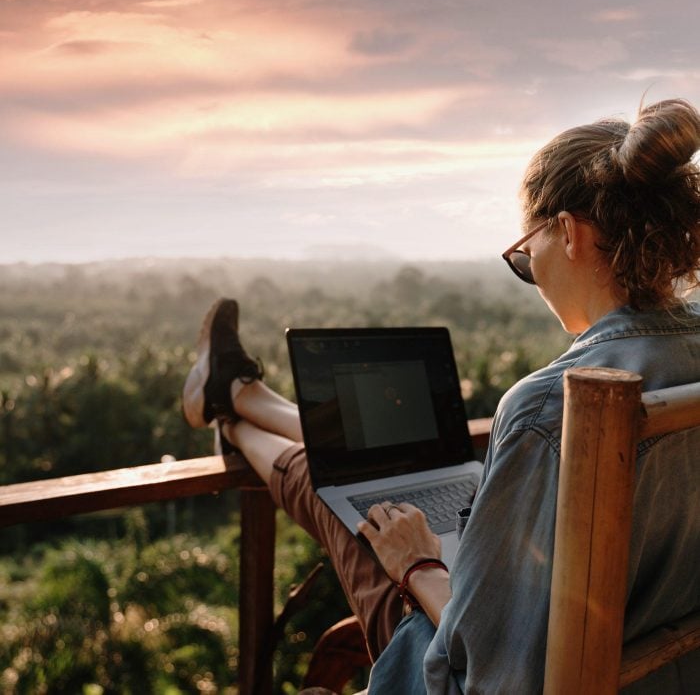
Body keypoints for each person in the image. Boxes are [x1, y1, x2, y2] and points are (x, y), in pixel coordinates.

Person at [182, 98, 700, 693]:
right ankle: (239, 398)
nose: (532, 276)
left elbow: (489, 666)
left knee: (346, 494)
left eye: (525, 258)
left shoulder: (549, 408)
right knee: (370, 471)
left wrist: (419, 564)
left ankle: (231, 407)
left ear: (568, 231)